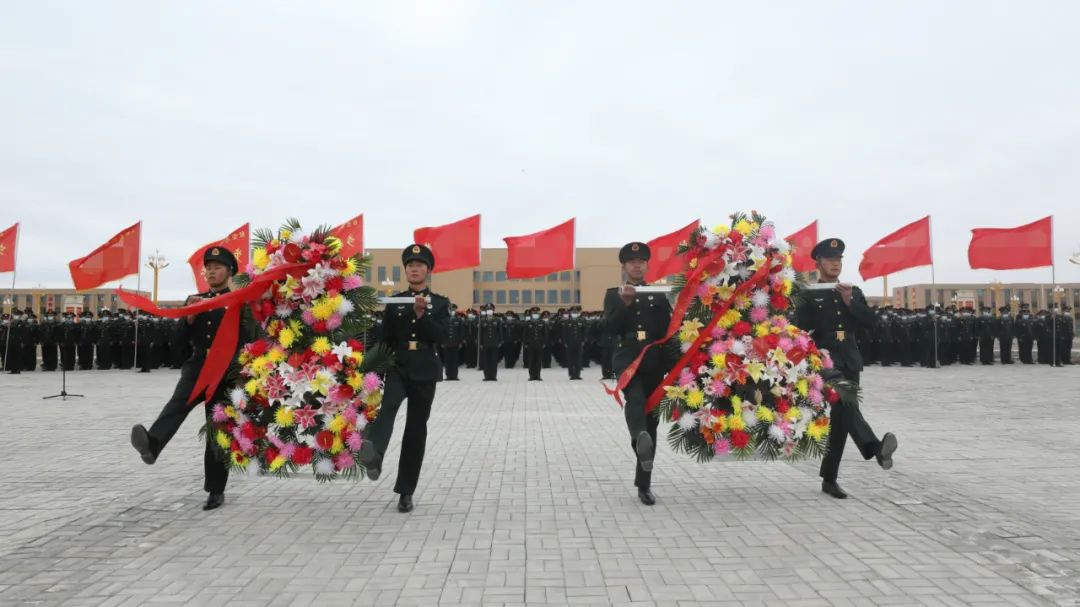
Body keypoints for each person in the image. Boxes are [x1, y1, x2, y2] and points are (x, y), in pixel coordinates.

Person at [129, 247, 239, 511]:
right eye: (208, 268)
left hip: (225, 370)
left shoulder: (238, 299)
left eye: (217, 267)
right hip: (198, 366)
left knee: (216, 429)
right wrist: (187, 320)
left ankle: (215, 489)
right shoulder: (194, 300)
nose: (211, 271)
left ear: (229, 271)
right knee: (176, 405)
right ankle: (152, 445)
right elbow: (177, 343)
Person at [794, 238, 897, 500]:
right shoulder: (809, 293)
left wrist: (851, 301)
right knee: (846, 401)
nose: (835, 263)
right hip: (824, 358)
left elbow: (871, 322)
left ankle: (830, 480)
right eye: (830, 259)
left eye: (839, 259)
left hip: (849, 357)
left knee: (842, 419)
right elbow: (798, 327)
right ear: (818, 263)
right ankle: (874, 448)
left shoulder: (852, 291)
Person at [360, 244, 450, 513]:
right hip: (398, 366)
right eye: (410, 264)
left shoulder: (441, 303)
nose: (414, 268)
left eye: (420, 265)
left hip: (425, 369)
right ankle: (374, 455)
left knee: (415, 430)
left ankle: (406, 491)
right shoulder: (395, 301)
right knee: (386, 408)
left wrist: (423, 316)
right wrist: (373, 367)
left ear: (428, 270)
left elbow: (444, 337)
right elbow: (384, 338)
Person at [603, 242, 673, 506]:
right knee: (634, 398)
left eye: (641, 261)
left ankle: (644, 484)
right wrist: (624, 304)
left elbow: (667, 331)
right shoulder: (614, 294)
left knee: (651, 420)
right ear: (623, 266)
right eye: (632, 262)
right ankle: (638, 438)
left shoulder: (659, 294)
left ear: (647, 265)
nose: (637, 265)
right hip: (627, 358)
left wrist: (673, 365)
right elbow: (608, 328)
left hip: (654, 361)